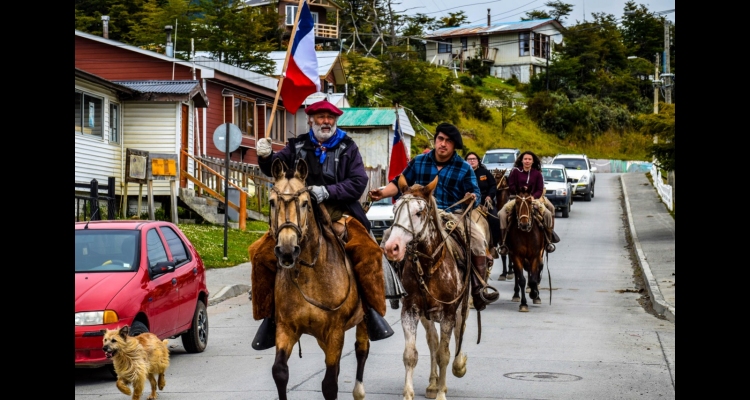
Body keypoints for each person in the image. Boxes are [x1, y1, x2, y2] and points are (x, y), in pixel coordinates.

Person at [250, 99, 392, 348]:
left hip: (338, 212)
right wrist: (265, 156)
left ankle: (371, 312)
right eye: (320, 117)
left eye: (330, 117)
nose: (326, 121)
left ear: (335, 120)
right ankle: (270, 316)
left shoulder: (348, 147)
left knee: (368, 252)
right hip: (295, 216)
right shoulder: (297, 146)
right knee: (260, 255)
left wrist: (328, 191)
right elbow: (275, 169)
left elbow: (359, 181)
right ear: (310, 120)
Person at [369, 123, 499, 311]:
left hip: (453, 215)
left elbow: (475, 193)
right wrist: (382, 193)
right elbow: (399, 182)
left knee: (477, 240)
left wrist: (472, 197)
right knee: (389, 236)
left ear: (454, 146)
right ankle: (393, 286)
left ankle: (479, 289)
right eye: (440, 139)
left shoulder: (464, 168)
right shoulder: (419, 161)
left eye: (448, 141)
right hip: (421, 215)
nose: (443, 144)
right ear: (435, 140)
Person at [497, 151, 560, 255]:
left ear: (533, 161)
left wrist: (532, 196)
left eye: (529, 159)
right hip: (517, 198)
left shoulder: (537, 174)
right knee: (501, 214)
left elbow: (540, 189)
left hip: (534, 198)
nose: (527, 161)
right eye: (525, 159)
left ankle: (548, 240)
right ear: (521, 160)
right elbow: (511, 187)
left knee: (549, 212)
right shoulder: (515, 172)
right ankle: (503, 242)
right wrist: (519, 192)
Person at [465, 152, 502, 256]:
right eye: (469, 159)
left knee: (494, 218)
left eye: (474, 159)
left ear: (478, 161)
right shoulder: (463, 173)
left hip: (485, 203)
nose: (472, 161)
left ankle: (493, 245)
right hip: (467, 203)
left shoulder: (484, 172)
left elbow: (493, 185)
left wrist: (490, 196)